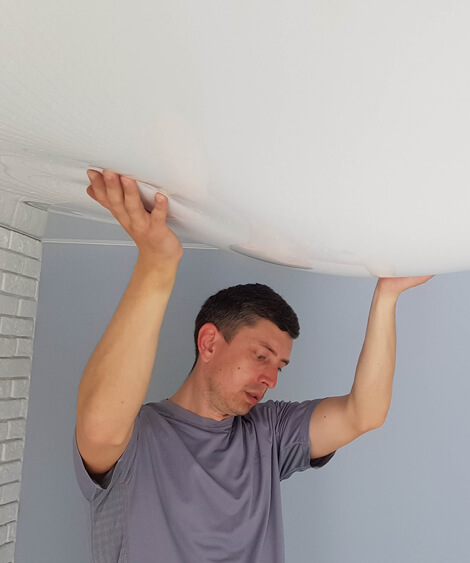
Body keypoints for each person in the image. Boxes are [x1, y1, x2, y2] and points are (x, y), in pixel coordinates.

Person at [73, 169, 431, 562]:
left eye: (280, 366)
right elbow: (99, 426)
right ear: (210, 342)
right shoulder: (138, 437)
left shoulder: (269, 434)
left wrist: (386, 297)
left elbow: (365, 413)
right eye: (261, 356)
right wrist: (157, 264)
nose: (271, 379)